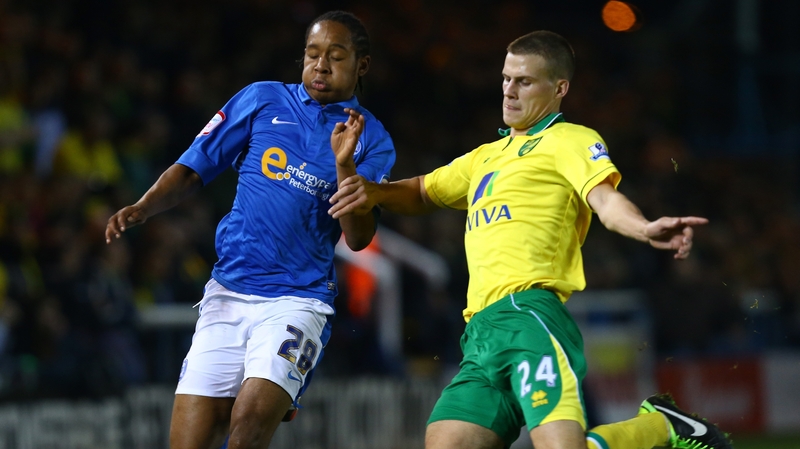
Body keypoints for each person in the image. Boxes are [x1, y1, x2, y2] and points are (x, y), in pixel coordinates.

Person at [328, 31, 732, 449]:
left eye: (524, 81)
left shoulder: (571, 141)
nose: (509, 90)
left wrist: (644, 227)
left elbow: (606, 201)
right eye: (506, 78)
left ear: (559, 88)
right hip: (480, 334)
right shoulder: (484, 157)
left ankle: (658, 427)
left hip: (529, 317)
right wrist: (371, 190)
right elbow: (422, 191)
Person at [105, 11, 395, 449]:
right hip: (228, 290)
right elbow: (194, 166)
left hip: (298, 300)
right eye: (313, 54)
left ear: (362, 65)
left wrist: (344, 164)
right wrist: (144, 207)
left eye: (336, 56)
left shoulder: (372, 139)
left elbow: (357, 237)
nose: (321, 65)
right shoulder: (262, 100)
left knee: (248, 424)